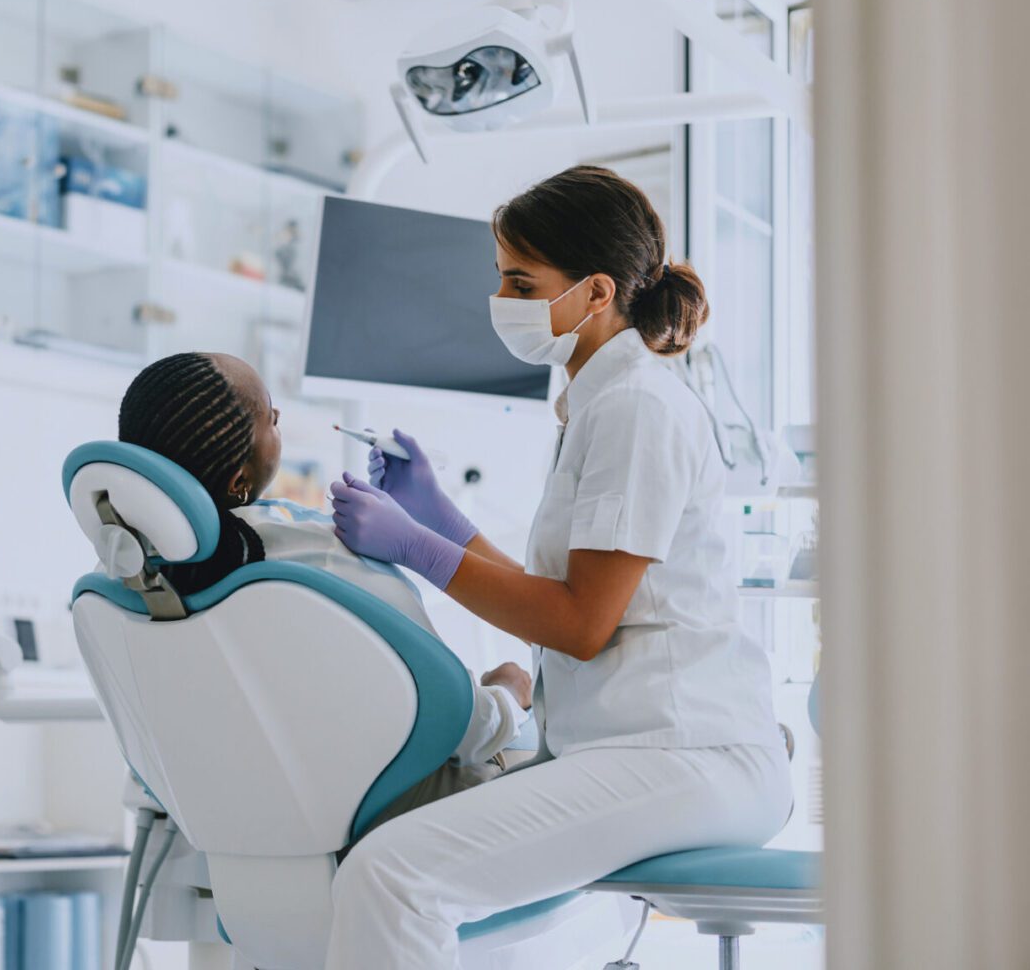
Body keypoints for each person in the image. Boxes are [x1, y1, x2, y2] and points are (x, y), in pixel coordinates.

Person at [324, 165, 791, 968]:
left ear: (596, 292)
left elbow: (578, 626)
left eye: (519, 280)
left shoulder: (637, 408)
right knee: (394, 859)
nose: (501, 299)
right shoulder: (599, 402)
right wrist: (438, 516)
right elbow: (568, 595)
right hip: (638, 747)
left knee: (394, 875)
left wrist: (414, 546)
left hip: (684, 754)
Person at [117, 350, 531, 811]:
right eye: (271, 418)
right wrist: (510, 693)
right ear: (239, 479)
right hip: (387, 821)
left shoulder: (127, 584)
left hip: (232, 817)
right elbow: (466, 730)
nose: (280, 421)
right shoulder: (323, 561)